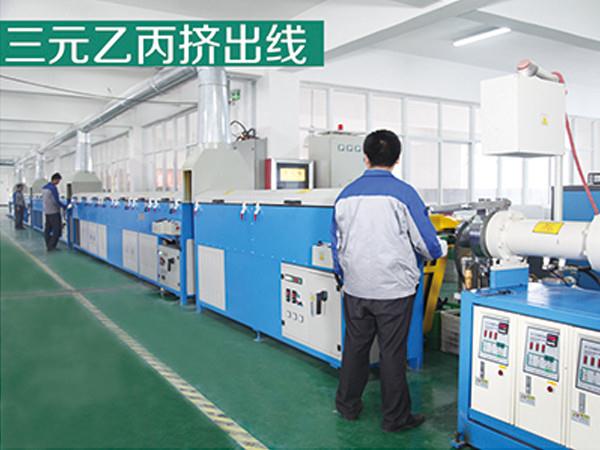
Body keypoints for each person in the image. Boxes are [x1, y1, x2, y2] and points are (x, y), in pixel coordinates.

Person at [332, 129, 447, 433]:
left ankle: (347, 406)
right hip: (393, 291)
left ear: (365, 157)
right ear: (397, 159)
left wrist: (343, 275)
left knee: (355, 348)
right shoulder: (403, 194)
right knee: (392, 353)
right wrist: (441, 249)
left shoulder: (345, 195)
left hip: (356, 288)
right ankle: (395, 418)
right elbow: (427, 244)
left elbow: (337, 244)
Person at [42, 173, 67, 251]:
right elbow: (55, 201)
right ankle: (52, 246)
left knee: (48, 229)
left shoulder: (44, 188)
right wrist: (64, 206)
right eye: (58, 180)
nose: (58, 182)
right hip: (54, 212)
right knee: (57, 230)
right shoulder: (53, 188)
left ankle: (48, 245)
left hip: (47, 212)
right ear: (55, 179)